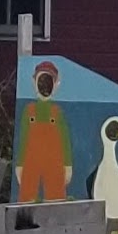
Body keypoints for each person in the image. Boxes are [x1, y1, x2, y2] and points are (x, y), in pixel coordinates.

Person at [15, 60, 75, 201]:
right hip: (31, 158)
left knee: (56, 196)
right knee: (27, 196)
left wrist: (67, 165)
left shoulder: (57, 112)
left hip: (54, 159)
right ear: (33, 81)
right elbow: (23, 138)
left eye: (49, 82)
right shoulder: (29, 110)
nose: (44, 86)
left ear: (56, 85)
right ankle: (26, 220)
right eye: (41, 81)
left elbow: (64, 139)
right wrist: (20, 164)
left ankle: (55, 221)